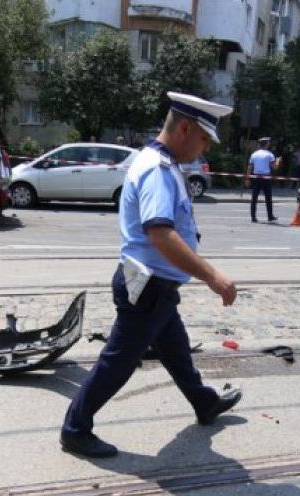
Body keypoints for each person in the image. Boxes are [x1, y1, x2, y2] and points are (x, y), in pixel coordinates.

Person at [60, 91, 242, 459]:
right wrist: (212, 277)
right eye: (204, 139)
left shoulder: (162, 161)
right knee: (119, 361)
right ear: (186, 128)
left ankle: (203, 403)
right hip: (148, 289)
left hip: (156, 287)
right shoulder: (158, 169)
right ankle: (75, 429)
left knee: (176, 349)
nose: (205, 149)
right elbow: (160, 234)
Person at [244, 137, 278, 223]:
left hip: (256, 177)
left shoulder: (254, 154)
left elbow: (249, 167)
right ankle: (270, 216)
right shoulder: (270, 155)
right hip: (266, 178)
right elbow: (274, 167)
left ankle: (253, 217)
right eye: (268, 143)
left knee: (254, 198)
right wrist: (278, 161)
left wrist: (247, 179)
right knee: (268, 198)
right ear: (266, 144)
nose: (269, 144)